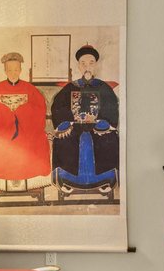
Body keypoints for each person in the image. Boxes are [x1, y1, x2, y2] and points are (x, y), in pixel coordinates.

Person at [51, 44, 119, 194]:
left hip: (98, 127)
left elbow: (112, 108)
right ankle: (67, 180)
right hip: (74, 126)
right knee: (64, 139)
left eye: (91, 63)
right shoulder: (70, 87)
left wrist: (104, 121)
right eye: (83, 63)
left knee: (109, 138)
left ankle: (105, 180)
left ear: (96, 65)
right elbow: (58, 107)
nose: (87, 66)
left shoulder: (103, 87)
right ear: (78, 66)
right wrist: (65, 122)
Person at [0, 51, 51, 182]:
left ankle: (27, 172)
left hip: (27, 130)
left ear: (20, 70)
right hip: (2, 130)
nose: (13, 72)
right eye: (10, 69)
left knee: (37, 140)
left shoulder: (30, 89)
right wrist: (6, 114)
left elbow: (39, 109)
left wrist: (21, 112)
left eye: (16, 69)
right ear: (5, 70)